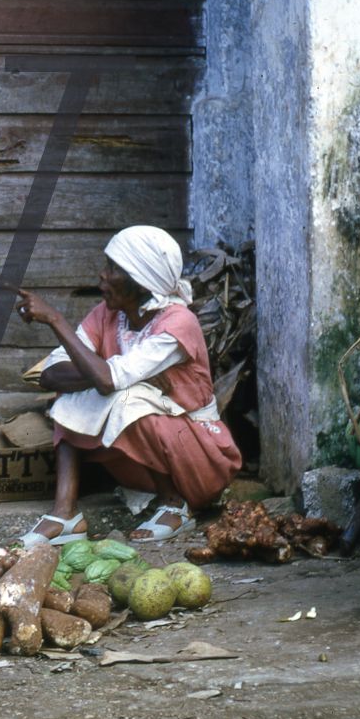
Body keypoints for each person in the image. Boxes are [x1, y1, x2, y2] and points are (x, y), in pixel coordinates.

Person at [14, 225, 241, 544]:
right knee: (68, 399)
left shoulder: (178, 324)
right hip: (140, 462)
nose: (102, 277)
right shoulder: (106, 315)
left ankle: (174, 505)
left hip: (199, 459)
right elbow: (51, 374)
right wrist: (95, 374)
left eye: (113, 269)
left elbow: (109, 381)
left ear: (141, 281)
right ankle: (65, 515)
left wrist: (56, 320)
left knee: (130, 396)